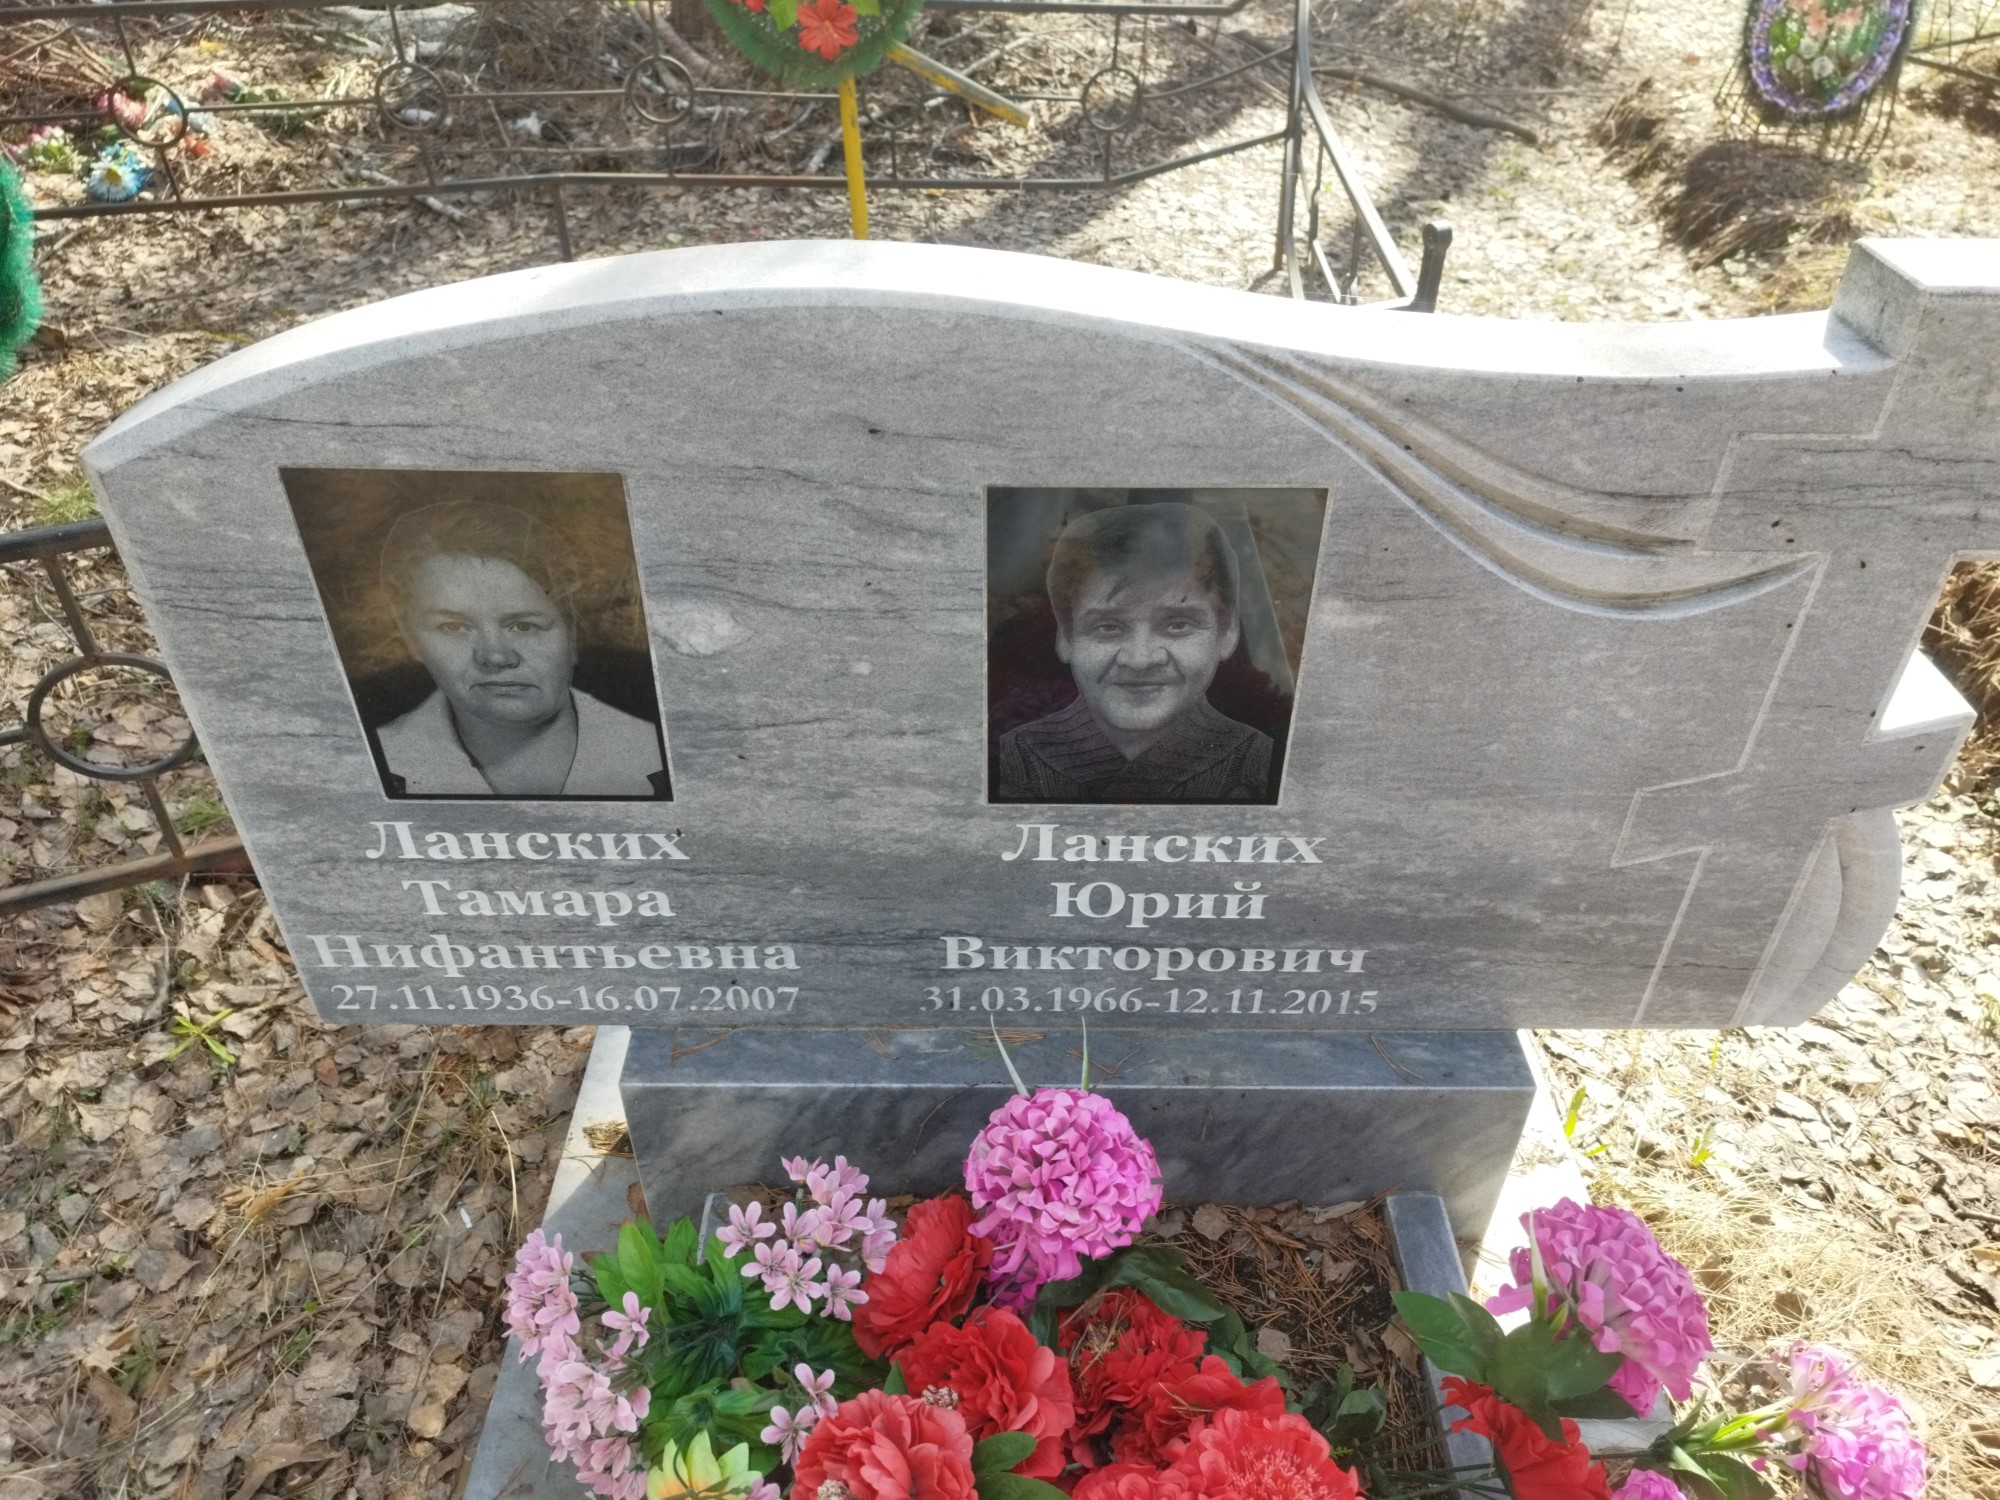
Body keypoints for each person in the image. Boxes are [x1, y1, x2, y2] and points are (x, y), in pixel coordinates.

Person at [371, 500, 666, 798]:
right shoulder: (368, 763)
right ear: (412, 640)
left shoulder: (665, 753)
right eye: (454, 627)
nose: (495, 657)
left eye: (524, 626)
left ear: (572, 632)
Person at [992, 503, 1273, 803]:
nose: (1140, 660)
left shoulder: (1262, 760)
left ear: (1227, 632)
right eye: (1107, 627)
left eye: (1178, 625)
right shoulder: (1012, 754)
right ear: (1066, 638)